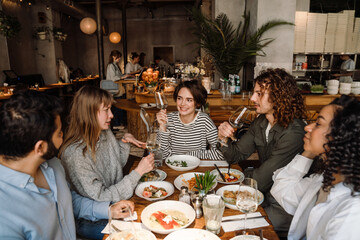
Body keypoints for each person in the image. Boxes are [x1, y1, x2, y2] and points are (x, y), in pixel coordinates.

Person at [0, 90, 134, 240]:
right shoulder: (5, 216)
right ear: (40, 148)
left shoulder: (54, 166)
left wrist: (108, 209)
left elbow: (69, 200)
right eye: (59, 133)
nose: (64, 136)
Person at [217, 68, 307, 231]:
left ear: (278, 97)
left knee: (232, 225)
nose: (252, 98)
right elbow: (235, 155)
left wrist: (237, 181)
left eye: (259, 94)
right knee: (222, 217)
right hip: (261, 195)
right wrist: (223, 139)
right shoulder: (261, 122)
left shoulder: (294, 132)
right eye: (254, 93)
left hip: (286, 206)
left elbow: (262, 180)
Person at [271, 95, 360, 240]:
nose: (307, 127)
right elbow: (282, 190)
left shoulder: (352, 212)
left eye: (318, 124)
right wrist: (311, 150)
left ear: (339, 137)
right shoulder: (324, 179)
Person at [60, 85, 154, 202]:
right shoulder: (76, 154)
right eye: (106, 110)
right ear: (90, 113)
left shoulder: (104, 132)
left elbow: (114, 166)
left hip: (119, 202)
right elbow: (102, 198)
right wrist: (138, 172)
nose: (111, 115)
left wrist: (124, 141)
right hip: (100, 217)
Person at [156, 80, 223, 160]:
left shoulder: (204, 121)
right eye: (179, 98)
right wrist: (162, 127)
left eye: (189, 100)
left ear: (197, 102)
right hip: (173, 169)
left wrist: (191, 155)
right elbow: (160, 156)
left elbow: (221, 153)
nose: (182, 104)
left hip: (197, 170)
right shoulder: (168, 119)